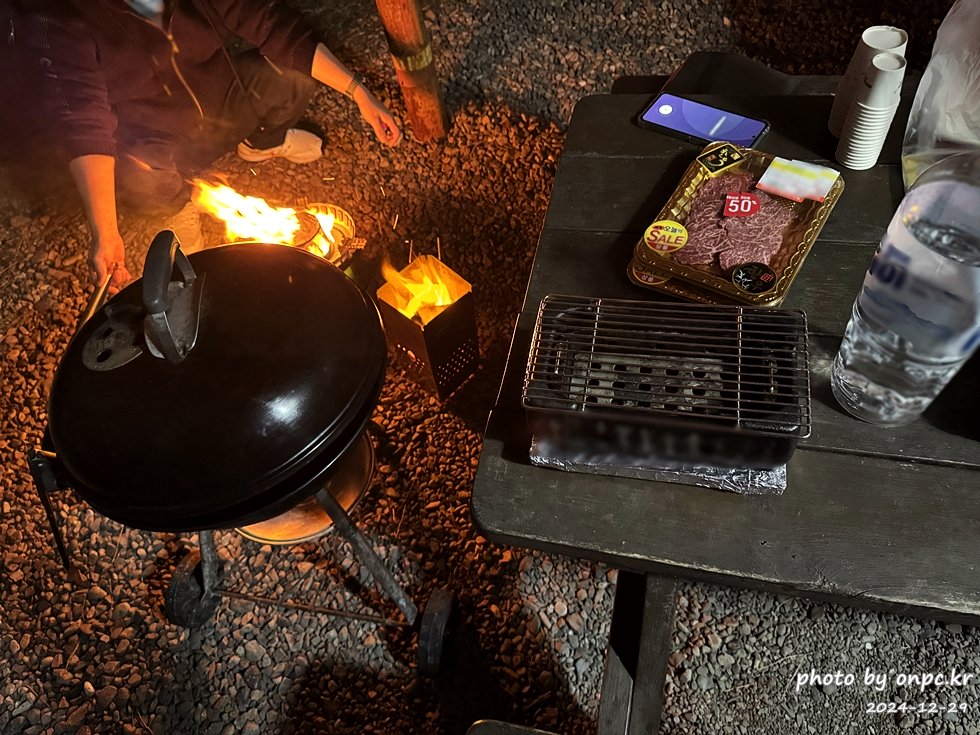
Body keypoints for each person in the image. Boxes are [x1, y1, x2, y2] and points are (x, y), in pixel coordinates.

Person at [1, 0, 402, 292]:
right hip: (149, 133)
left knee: (293, 79)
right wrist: (105, 232)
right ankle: (176, 205)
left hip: (216, 97)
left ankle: (259, 144)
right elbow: (82, 117)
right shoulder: (55, 14)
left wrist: (358, 92)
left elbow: (271, 23)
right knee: (144, 181)